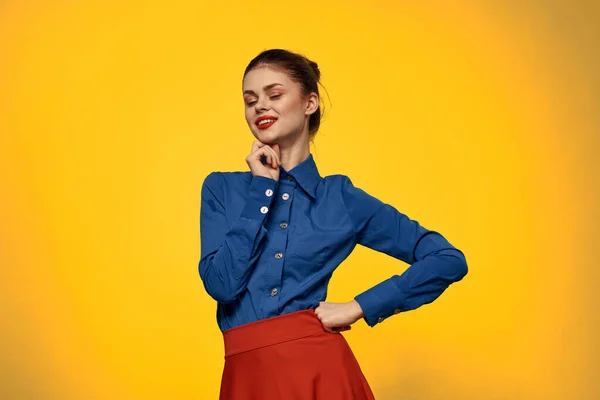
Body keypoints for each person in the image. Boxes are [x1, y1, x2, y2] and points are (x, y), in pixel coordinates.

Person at [198, 48, 468, 400]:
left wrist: (359, 307)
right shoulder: (222, 188)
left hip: (322, 373)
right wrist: (262, 188)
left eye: (275, 95)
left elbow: (447, 259)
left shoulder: (340, 198)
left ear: (309, 103)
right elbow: (221, 285)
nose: (260, 107)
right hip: (248, 379)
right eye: (250, 100)